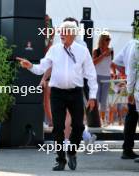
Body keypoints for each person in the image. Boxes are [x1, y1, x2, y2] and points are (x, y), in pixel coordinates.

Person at [17, 21, 97, 171]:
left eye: (65, 31)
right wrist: (31, 66)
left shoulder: (82, 51)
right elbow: (42, 67)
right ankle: (60, 160)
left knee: (79, 126)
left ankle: (72, 152)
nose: (61, 34)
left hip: (75, 92)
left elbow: (91, 75)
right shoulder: (54, 50)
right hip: (57, 93)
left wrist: (92, 96)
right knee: (58, 127)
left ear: (73, 34)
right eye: (61, 31)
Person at [112, 31, 139, 160]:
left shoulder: (130, 43)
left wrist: (125, 75)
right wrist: (130, 89)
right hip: (135, 87)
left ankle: (127, 149)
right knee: (131, 117)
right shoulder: (135, 46)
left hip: (133, 86)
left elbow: (116, 62)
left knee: (131, 117)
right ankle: (127, 149)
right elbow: (133, 70)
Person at [92, 31, 114, 125]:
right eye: (107, 39)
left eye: (109, 39)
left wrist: (114, 72)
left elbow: (111, 63)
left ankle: (102, 118)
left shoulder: (111, 51)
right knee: (96, 98)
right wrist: (103, 55)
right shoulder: (96, 51)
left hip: (107, 77)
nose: (109, 41)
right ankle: (96, 119)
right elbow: (93, 63)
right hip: (97, 76)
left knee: (104, 100)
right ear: (102, 40)